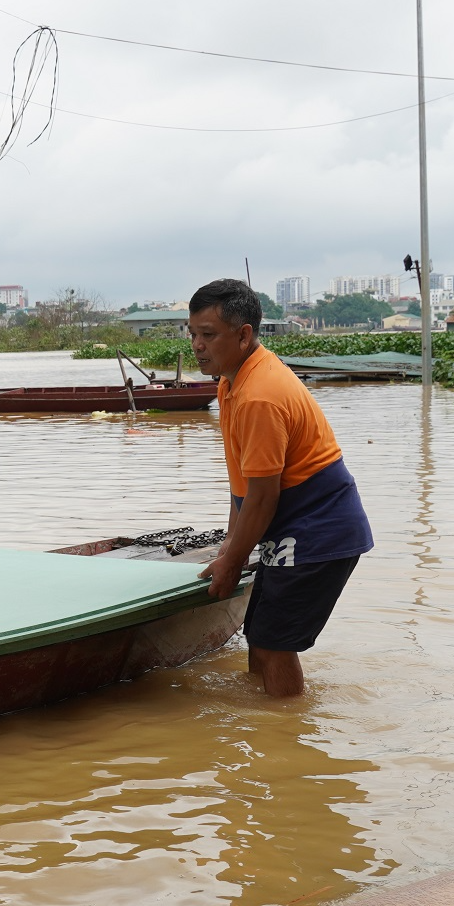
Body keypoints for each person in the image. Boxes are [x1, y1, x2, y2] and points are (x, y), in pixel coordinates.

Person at [187, 278, 372, 697]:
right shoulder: (232, 381)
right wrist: (230, 543)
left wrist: (233, 561)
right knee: (263, 637)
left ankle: (286, 737)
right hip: (292, 528)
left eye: (209, 335)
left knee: (273, 644)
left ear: (244, 334)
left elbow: (264, 496)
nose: (197, 345)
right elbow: (244, 486)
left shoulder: (259, 395)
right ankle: (266, 723)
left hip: (318, 531)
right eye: (193, 334)